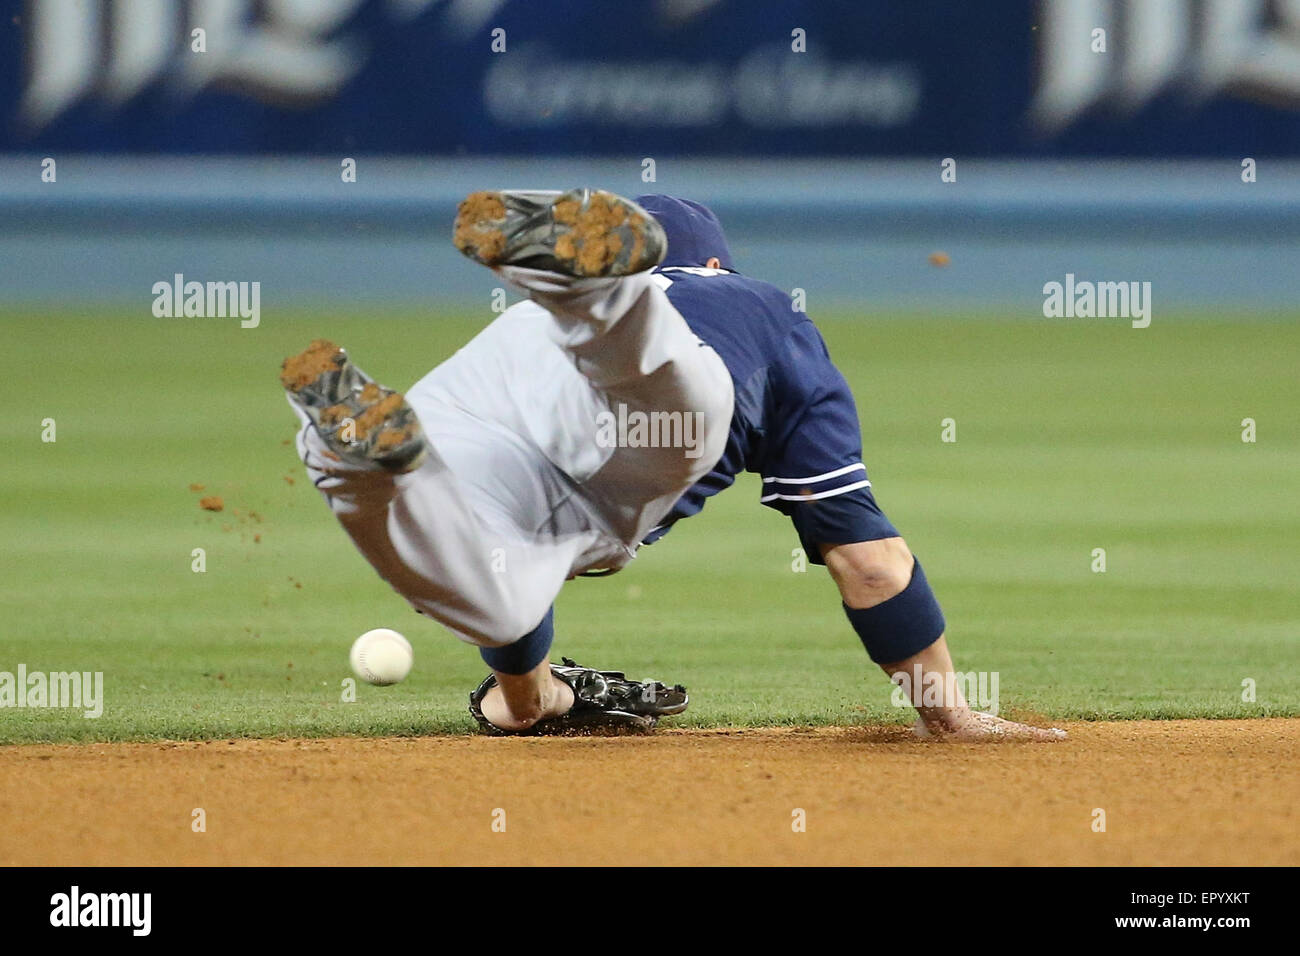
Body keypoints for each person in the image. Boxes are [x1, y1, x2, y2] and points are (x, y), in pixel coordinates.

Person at [281, 188, 1065, 741]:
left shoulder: (534, 332)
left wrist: (529, 701)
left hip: (488, 385)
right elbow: (872, 565)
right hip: (639, 417)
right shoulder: (764, 308)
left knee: (493, 582)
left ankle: (345, 453)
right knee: (650, 396)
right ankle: (601, 301)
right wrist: (947, 710)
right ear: (718, 264)